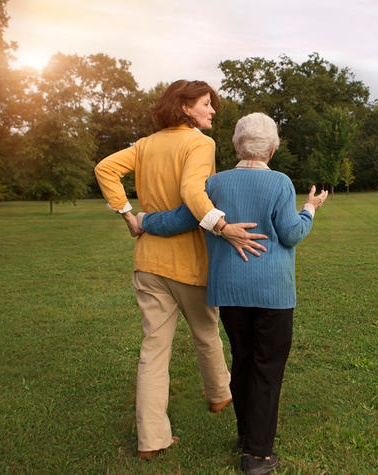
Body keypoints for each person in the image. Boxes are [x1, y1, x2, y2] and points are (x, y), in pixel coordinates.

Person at [138, 112, 327, 474]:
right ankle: (257, 454)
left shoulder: (214, 183)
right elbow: (291, 234)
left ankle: (246, 437)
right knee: (267, 368)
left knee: (242, 361)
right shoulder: (280, 183)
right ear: (271, 150)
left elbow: (181, 218)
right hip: (272, 294)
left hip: (230, 292)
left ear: (237, 146)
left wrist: (144, 220)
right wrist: (309, 209)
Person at [94, 80, 267, 460]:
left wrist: (128, 215)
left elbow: (104, 169)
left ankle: (151, 438)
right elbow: (192, 192)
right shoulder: (200, 144)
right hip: (188, 263)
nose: (212, 110)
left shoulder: (145, 144)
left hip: (148, 263)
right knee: (206, 332)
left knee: (154, 350)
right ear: (185, 107)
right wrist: (222, 226)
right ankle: (220, 395)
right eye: (206, 103)